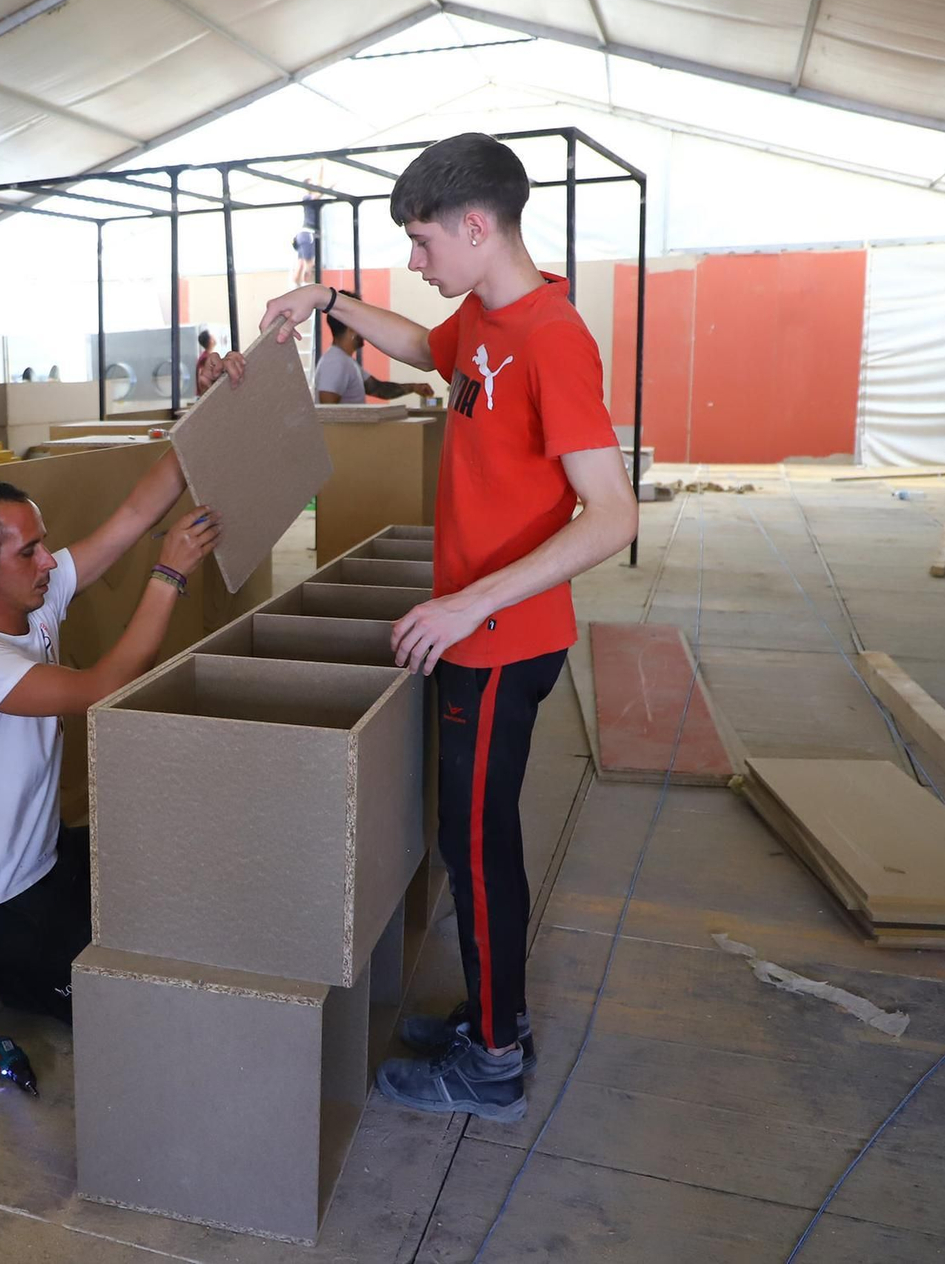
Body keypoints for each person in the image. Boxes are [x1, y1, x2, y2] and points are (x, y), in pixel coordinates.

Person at [200, 132, 638, 1122]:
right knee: (466, 834)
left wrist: (470, 600)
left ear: (475, 227)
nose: (414, 260)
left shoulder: (550, 338)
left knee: (476, 846)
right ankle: (494, 1015)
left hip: (498, 643)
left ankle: (491, 1058)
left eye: (422, 240)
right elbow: (418, 345)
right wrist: (324, 302)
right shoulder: (482, 315)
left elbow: (612, 513)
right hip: (473, 633)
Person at [0, 460, 222, 1028]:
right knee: (118, 1011)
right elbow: (102, 688)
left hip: (44, 855)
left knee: (156, 880)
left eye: (44, 545)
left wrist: (198, 423)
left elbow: (133, 515)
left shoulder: (37, 601)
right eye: (28, 552)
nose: (48, 561)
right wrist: (169, 575)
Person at [312, 290, 436, 406]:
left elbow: (377, 388)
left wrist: (414, 387)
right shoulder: (335, 363)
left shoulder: (344, 361)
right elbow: (327, 412)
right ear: (352, 328)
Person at [192, 328, 218, 398]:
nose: (213, 336)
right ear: (210, 341)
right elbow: (202, 379)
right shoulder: (205, 358)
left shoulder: (207, 356)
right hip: (205, 397)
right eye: (211, 336)